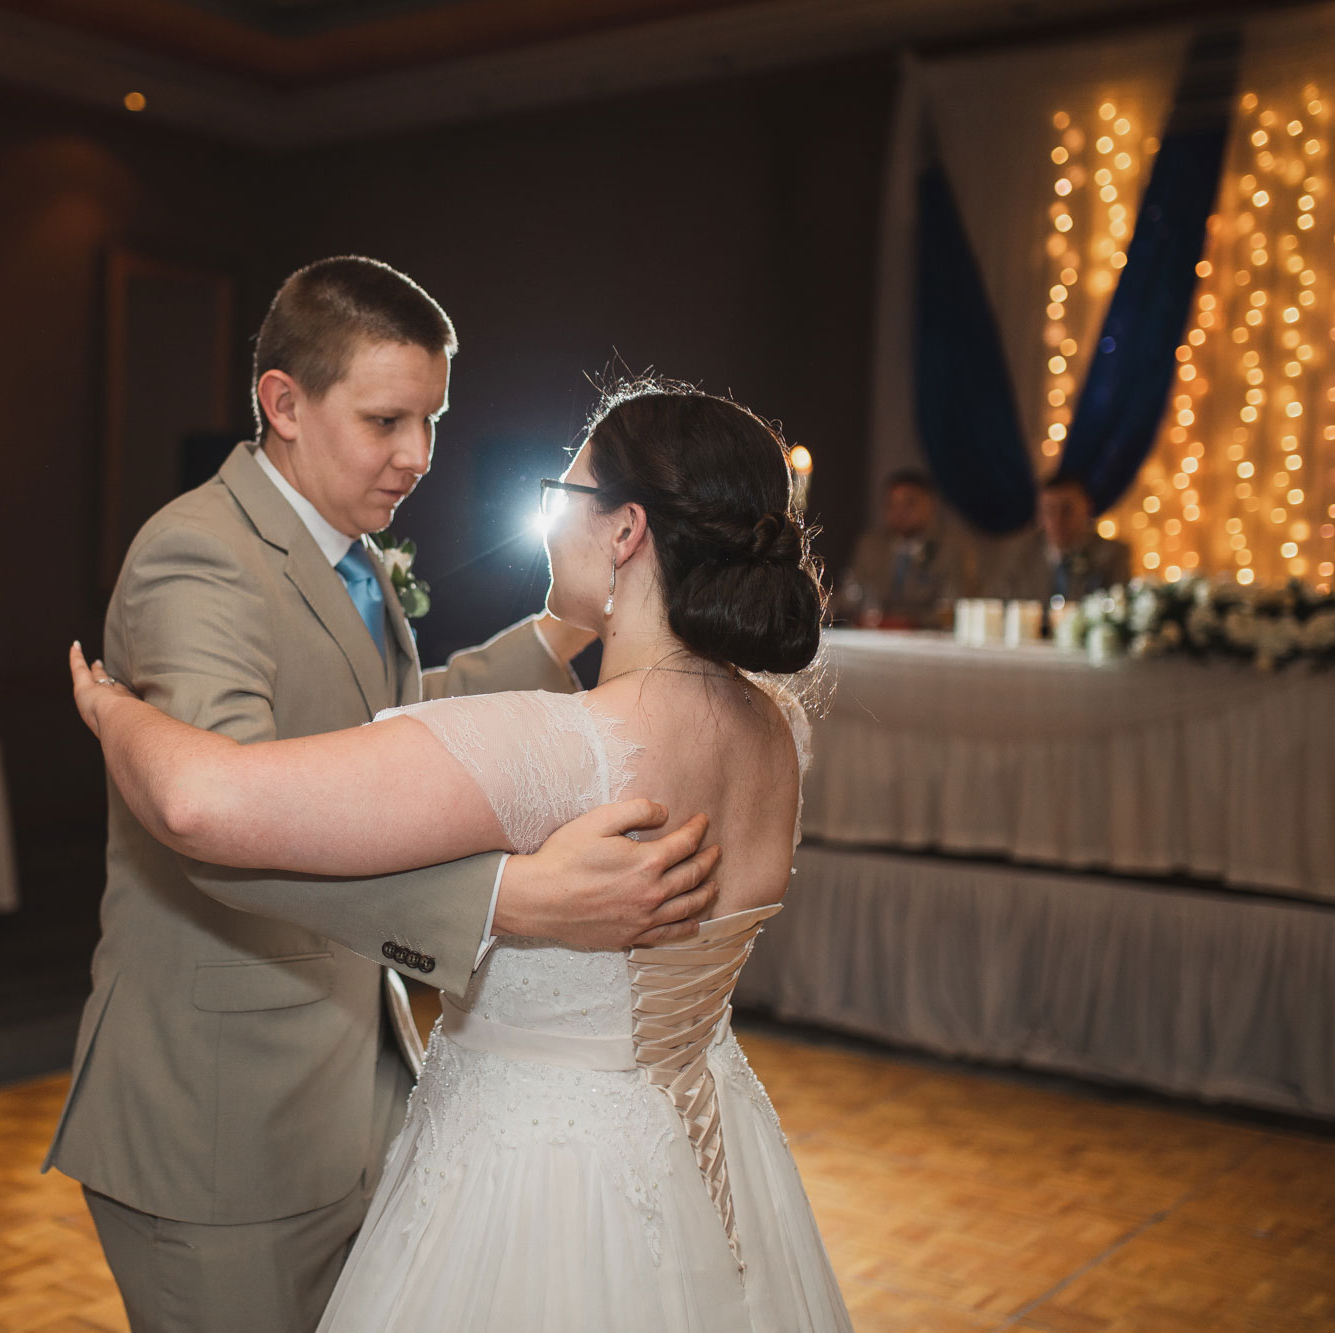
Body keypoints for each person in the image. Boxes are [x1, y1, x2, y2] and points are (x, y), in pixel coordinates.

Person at [71, 382, 851, 1331]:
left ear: (625, 530)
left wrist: (113, 708)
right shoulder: (774, 733)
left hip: (530, 1186)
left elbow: (199, 802)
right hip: (699, 1153)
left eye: (563, 493)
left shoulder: (555, 744)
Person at [839, 468, 976, 627]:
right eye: (892, 504)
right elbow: (851, 596)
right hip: (874, 635)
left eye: (909, 504)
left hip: (927, 640)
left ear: (930, 504)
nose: (900, 512)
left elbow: (956, 607)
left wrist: (909, 623)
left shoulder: (953, 548)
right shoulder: (871, 546)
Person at [987, 472, 1133, 602]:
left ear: (1087, 509)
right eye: (1049, 510)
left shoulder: (1112, 554)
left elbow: (1120, 608)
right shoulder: (1020, 554)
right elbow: (998, 602)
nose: (1057, 520)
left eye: (1067, 510)